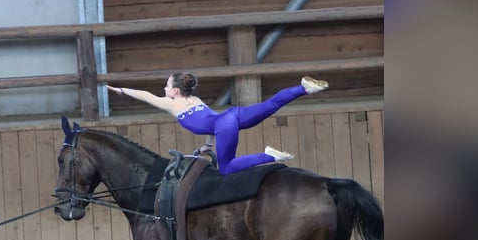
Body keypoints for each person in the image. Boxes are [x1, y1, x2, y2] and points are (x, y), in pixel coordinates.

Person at [106, 73, 329, 175]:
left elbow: (145, 95)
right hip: (231, 116)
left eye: (166, 86)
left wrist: (121, 90)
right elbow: (212, 121)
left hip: (226, 125)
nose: (164, 90)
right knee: (271, 105)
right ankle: (303, 88)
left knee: (226, 169)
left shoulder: (172, 104)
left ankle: (269, 156)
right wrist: (207, 146)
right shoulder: (195, 100)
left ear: (175, 91)